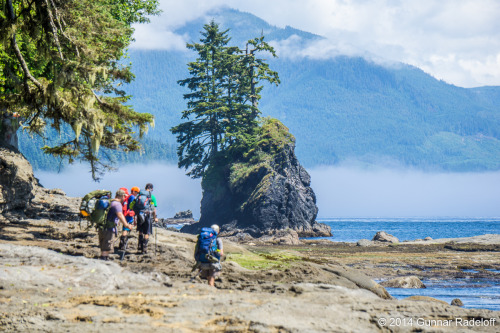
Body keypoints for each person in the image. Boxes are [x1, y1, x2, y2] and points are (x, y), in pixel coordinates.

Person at [99, 189, 133, 260]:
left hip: (102, 227)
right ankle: (103, 261)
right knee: (107, 247)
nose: (125, 198)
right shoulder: (117, 204)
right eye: (124, 197)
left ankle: (104, 259)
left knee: (104, 246)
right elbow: (120, 215)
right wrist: (126, 225)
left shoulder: (110, 202)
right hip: (109, 229)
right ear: (122, 196)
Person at [135, 183, 158, 254]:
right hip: (147, 215)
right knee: (147, 232)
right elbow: (154, 209)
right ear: (151, 188)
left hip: (139, 214)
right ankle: (144, 249)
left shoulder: (139, 195)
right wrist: (155, 218)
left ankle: (139, 246)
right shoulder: (151, 197)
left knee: (141, 231)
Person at [118, 186, 139, 251]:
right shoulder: (132, 197)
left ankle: (122, 244)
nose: (137, 194)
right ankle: (122, 245)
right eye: (136, 192)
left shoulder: (127, 196)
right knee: (126, 229)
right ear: (133, 191)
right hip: (128, 215)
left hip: (125, 214)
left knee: (125, 228)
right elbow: (132, 206)